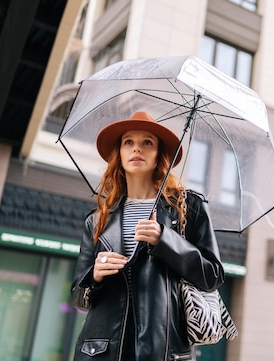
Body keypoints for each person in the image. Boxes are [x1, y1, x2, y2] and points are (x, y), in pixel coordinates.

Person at [71, 110, 224, 361]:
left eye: (147, 143)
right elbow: (78, 296)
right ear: (119, 154)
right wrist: (95, 274)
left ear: (159, 155)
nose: (136, 149)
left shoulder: (189, 208)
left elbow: (213, 276)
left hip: (164, 350)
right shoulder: (97, 219)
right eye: (128, 142)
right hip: (102, 351)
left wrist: (165, 240)